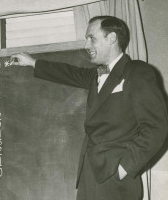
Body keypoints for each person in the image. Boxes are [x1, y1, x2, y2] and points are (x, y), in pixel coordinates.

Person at [11, 16, 168, 200]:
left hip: (115, 176)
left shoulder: (138, 72)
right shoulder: (97, 75)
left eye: (91, 38)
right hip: (89, 173)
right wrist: (33, 63)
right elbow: (69, 73)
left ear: (111, 38)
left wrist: (124, 168)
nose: (86, 45)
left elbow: (157, 127)